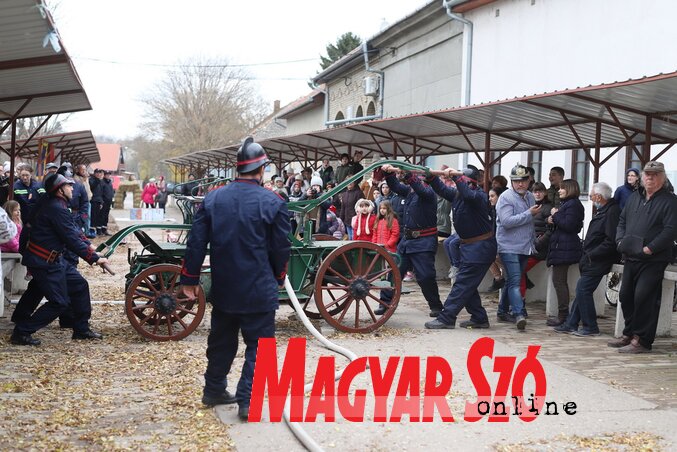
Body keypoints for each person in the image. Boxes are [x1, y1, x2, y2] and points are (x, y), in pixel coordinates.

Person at [180, 137, 291, 421]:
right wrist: (279, 276)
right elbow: (281, 247)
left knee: (221, 341)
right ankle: (248, 401)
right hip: (259, 287)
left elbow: (196, 242)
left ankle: (214, 388)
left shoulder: (213, 198)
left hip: (226, 286)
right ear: (262, 168)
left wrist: (189, 279)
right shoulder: (273, 202)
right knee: (260, 347)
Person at [10, 174, 108, 346]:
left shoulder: (54, 204)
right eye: (68, 186)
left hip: (52, 260)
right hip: (44, 261)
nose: (72, 188)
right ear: (59, 190)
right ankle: (22, 332)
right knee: (58, 302)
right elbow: (70, 237)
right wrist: (93, 258)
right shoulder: (55, 207)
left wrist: (90, 246)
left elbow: (74, 231)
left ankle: (81, 329)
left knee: (78, 285)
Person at [610, 161, 677, 353]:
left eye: (655, 174)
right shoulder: (634, 198)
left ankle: (642, 340)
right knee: (625, 296)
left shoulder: (670, 201)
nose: (650, 178)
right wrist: (620, 240)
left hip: (654, 259)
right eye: (647, 174)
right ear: (641, 177)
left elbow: (671, 231)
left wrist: (650, 248)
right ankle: (629, 333)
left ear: (662, 177)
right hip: (631, 256)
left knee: (644, 298)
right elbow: (622, 221)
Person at [424, 166, 496, 330]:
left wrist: (456, 177)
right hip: (471, 248)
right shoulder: (459, 194)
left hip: (480, 248)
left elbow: (469, 195)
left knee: (462, 284)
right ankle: (479, 317)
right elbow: (442, 189)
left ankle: (447, 318)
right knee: (467, 284)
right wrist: (431, 177)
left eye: (462, 182)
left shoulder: (478, 196)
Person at [376, 164, 443, 317]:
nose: (415, 183)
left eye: (417, 179)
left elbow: (420, 189)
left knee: (426, 276)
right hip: (406, 242)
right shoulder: (410, 192)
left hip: (424, 242)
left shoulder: (429, 193)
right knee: (394, 272)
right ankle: (385, 303)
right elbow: (395, 186)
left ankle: (436, 306)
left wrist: (408, 176)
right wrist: (388, 174)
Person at [555, 182, 620, 336]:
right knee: (582, 290)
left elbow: (610, 241)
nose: (591, 198)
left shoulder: (612, 212)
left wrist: (592, 254)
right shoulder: (604, 210)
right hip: (592, 258)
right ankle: (571, 323)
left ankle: (590, 326)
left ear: (599, 196)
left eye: (591, 195)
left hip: (598, 259)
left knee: (583, 289)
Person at [496, 164, 540, 330]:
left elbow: (529, 223)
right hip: (508, 247)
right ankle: (519, 313)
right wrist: (529, 213)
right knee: (515, 281)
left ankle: (502, 311)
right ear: (512, 182)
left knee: (511, 281)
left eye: (523, 180)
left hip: (525, 246)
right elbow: (506, 222)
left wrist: (533, 240)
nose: (520, 184)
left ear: (529, 181)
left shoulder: (530, 196)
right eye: (516, 181)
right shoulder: (506, 197)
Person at [545, 179, 584, 326]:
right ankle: (563, 313)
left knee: (559, 282)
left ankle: (563, 315)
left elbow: (569, 225)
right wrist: (551, 219)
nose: (559, 191)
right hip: (561, 246)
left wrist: (555, 215)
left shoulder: (573, 204)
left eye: (562, 188)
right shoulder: (568, 204)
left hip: (565, 248)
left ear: (570, 189)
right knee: (558, 281)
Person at [520, 182, 552, 297]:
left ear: (545, 192)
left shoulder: (548, 208)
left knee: (519, 269)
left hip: (539, 249)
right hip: (526, 247)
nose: (537, 194)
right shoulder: (528, 206)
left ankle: (520, 302)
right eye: (535, 191)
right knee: (516, 268)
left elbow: (551, 230)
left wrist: (538, 243)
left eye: (540, 191)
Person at [486, 187, 505, 292]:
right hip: (495, 241)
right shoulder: (492, 210)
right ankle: (498, 278)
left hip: (504, 243)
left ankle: (499, 278)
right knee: (487, 254)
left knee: (494, 256)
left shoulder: (502, 210)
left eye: (492, 196)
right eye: (489, 196)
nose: (490, 199)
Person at [74, 164, 95, 238]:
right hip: (82, 202)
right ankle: (84, 232)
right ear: (78, 170)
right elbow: (80, 187)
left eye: (85, 169)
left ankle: (87, 231)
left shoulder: (86, 178)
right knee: (84, 217)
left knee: (88, 217)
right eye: (82, 169)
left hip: (88, 201)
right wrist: (85, 178)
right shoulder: (76, 178)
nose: (84, 171)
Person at [89, 169, 104, 235]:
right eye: (97, 173)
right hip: (93, 200)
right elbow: (92, 187)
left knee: (98, 217)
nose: (98, 174)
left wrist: (101, 202)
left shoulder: (100, 181)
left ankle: (97, 230)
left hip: (98, 201)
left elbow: (101, 193)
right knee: (93, 216)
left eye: (99, 173)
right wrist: (97, 180)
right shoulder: (91, 180)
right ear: (94, 173)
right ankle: (91, 230)